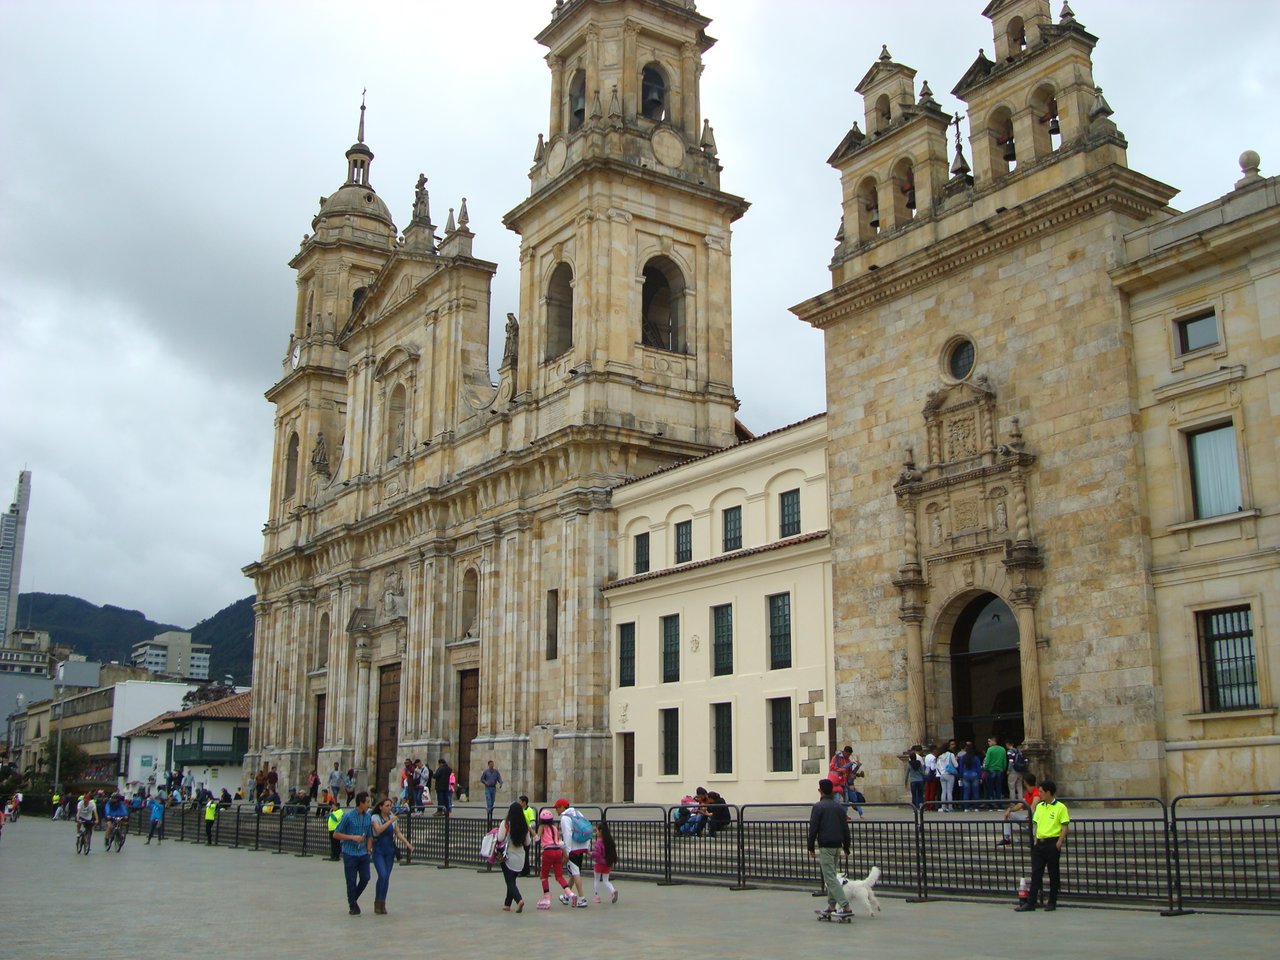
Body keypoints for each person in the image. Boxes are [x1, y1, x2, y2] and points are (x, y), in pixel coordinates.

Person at [1017, 778, 1069, 912]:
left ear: (1048, 792)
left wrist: (1059, 842)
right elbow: (1036, 823)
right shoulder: (1040, 806)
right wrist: (1035, 838)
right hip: (1039, 843)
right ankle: (1031, 902)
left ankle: (1052, 901)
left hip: (1052, 842)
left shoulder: (1060, 807)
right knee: (1036, 873)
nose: (1039, 794)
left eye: (1041, 792)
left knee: (1053, 873)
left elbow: (1064, 826)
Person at [807, 778, 852, 919]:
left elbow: (813, 828)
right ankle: (831, 906)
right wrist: (846, 846)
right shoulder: (839, 807)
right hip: (837, 845)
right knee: (832, 875)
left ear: (820, 790)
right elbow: (845, 828)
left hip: (825, 845)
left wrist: (811, 847)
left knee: (830, 878)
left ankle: (845, 906)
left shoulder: (818, 807)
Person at [370, 797, 413, 915]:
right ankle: (377, 900)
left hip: (389, 851)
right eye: (387, 806)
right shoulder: (375, 818)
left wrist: (407, 843)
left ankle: (382, 902)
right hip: (378, 850)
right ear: (380, 807)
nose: (389, 808)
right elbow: (378, 830)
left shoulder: (392, 818)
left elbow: (397, 832)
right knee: (382, 875)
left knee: (386, 877)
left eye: (390, 806)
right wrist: (390, 820)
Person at [334, 791, 374, 915]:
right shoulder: (348, 816)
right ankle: (353, 905)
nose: (369, 804)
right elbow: (336, 834)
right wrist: (352, 837)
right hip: (350, 853)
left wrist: (368, 850)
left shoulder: (368, 816)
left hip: (363, 853)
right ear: (360, 803)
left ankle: (352, 899)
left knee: (366, 877)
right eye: (367, 802)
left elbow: (369, 835)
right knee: (351, 880)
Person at [535, 808, 573, 910]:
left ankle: (546, 897)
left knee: (544, 876)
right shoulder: (554, 828)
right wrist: (565, 854)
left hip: (548, 851)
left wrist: (531, 831)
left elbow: (537, 839)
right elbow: (560, 842)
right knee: (559, 876)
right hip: (557, 851)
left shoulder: (542, 827)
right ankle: (570, 893)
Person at [496, 800, 531, 912]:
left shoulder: (506, 823)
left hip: (508, 856)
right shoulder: (524, 825)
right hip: (520, 857)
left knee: (510, 882)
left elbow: (500, 838)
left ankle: (519, 899)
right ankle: (507, 904)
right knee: (512, 881)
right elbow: (527, 843)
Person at [557, 797, 591, 907]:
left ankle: (582, 898)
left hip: (572, 848)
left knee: (575, 873)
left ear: (562, 807)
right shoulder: (577, 813)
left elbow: (567, 835)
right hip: (582, 846)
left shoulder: (565, 818)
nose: (556, 810)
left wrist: (566, 851)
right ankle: (567, 896)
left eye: (557, 808)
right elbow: (586, 827)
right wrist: (587, 846)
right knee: (573, 873)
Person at [997, 773, 1040, 847]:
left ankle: (1034, 840)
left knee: (1035, 819)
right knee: (1009, 815)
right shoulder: (1028, 794)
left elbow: (1034, 806)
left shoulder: (1036, 793)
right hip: (1028, 819)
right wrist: (1010, 810)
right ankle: (1006, 839)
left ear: (1025, 782)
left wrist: (1030, 815)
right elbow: (1020, 805)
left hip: (1036, 818)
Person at [591, 821, 619, 903]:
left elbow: (596, 854)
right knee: (606, 880)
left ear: (600, 831)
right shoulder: (610, 841)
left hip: (599, 864)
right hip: (608, 863)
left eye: (596, 831)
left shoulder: (599, 842)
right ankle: (613, 891)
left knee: (596, 880)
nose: (596, 832)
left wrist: (590, 854)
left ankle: (597, 896)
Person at [983, 736, 1008, 808]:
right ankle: (999, 804)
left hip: (991, 770)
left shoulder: (990, 749)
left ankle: (991, 804)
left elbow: (987, 761)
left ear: (994, 741)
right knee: (999, 787)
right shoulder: (1002, 749)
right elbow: (1004, 760)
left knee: (990, 788)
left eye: (990, 741)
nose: (989, 743)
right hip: (1000, 770)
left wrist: (986, 768)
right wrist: (1003, 768)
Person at [958, 740, 983, 812]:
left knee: (966, 792)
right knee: (975, 792)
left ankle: (966, 807)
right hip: (974, 774)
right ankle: (976, 807)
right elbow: (979, 768)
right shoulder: (975, 758)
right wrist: (980, 777)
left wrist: (960, 776)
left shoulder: (963, 757)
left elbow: (961, 768)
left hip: (965, 775)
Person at [935, 741, 958, 813]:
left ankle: (943, 807)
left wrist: (942, 771)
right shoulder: (951, 755)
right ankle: (950, 807)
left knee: (943, 791)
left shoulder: (939, 756)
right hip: (949, 774)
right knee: (949, 791)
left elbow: (937, 766)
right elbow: (956, 765)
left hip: (942, 775)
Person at [518, 795, 535, 876]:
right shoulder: (520, 810)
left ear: (524, 802)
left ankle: (525, 870)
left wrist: (529, 829)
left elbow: (533, 822)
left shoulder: (529, 810)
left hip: (526, 833)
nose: (519, 803)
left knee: (526, 852)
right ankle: (522, 869)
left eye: (520, 801)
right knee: (522, 852)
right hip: (521, 833)